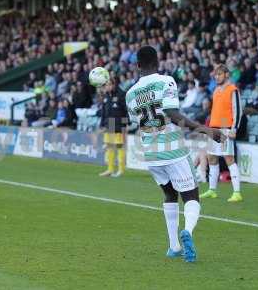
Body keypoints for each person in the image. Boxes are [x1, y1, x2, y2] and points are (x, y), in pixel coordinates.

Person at [125, 46, 224, 263]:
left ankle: (174, 246)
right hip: (173, 150)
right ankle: (187, 231)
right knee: (191, 196)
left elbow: (137, 121)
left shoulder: (130, 93)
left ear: (138, 65)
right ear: (157, 61)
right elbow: (172, 113)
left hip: (150, 153)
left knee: (169, 194)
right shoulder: (166, 81)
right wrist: (206, 130)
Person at [200, 64, 243, 202]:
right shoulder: (216, 90)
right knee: (211, 158)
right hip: (214, 128)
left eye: (219, 74)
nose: (217, 77)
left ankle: (237, 192)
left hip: (225, 127)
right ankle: (212, 190)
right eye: (216, 75)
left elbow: (238, 111)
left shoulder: (233, 90)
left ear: (227, 75)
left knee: (229, 159)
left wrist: (233, 129)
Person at [99, 79, 128, 177]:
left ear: (113, 85)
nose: (106, 87)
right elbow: (103, 111)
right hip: (110, 124)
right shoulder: (106, 95)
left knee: (119, 147)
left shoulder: (121, 94)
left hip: (119, 124)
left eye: (108, 85)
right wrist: (102, 124)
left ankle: (121, 169)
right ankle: (110, 169)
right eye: (105, 86)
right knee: (109, 147)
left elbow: (126, 111)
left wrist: (125, 125)